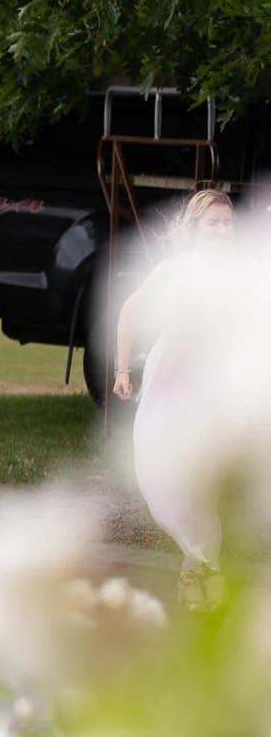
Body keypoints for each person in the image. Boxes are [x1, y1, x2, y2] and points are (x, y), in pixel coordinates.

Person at [112, 187, 240, 600]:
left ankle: (202, 570)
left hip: (216, 384)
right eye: (212, 224)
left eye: (227, 223)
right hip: (170, 379)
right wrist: (121, 369)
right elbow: (130, 309)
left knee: (202, 477)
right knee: (159, 473)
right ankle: (199, 564)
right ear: (196, 227)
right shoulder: (176, 269)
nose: (221, 231)